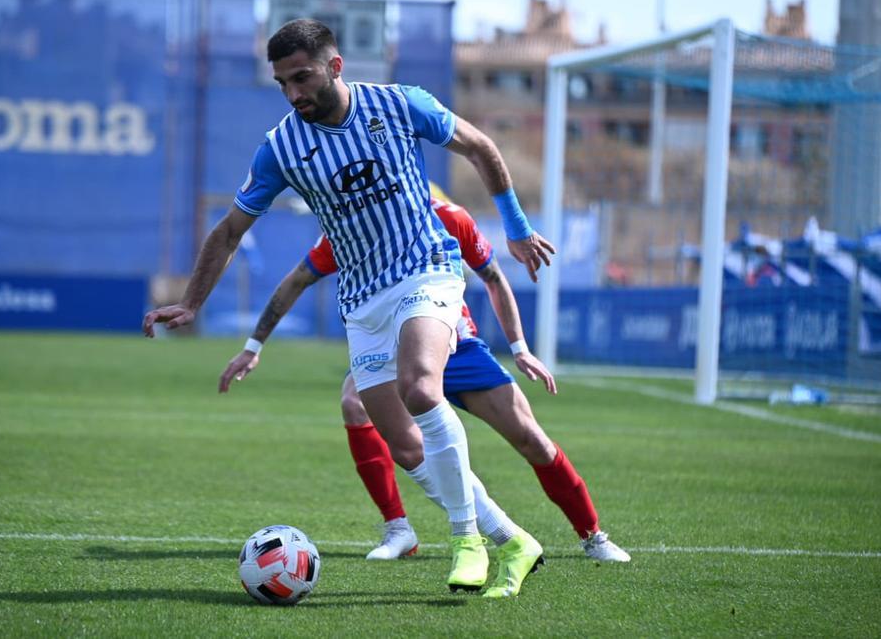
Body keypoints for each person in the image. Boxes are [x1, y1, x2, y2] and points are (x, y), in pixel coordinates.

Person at [142, 18, 556, 598]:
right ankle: (512, 537)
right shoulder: (282, 146)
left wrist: (516, 228)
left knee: (420, 387)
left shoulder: (401, 104)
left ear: (335, 66)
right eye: (283, 83)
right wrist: (191, 301)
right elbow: (232, 228)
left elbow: (481, 148)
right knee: (405, 444)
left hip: (426, 268)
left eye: (303, 77)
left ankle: (467, 540)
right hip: (362, 298)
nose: (294, 94)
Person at [221, 192, 631, 564]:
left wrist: (520, 348)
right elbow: (297, 279)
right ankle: (400, 529)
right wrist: (253, 347)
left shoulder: (449, 216)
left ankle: (593, 536)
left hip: (456, 344)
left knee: (531, 438)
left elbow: (492, 277)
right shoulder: (352, 226)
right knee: (357, 405)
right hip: (389, 349)